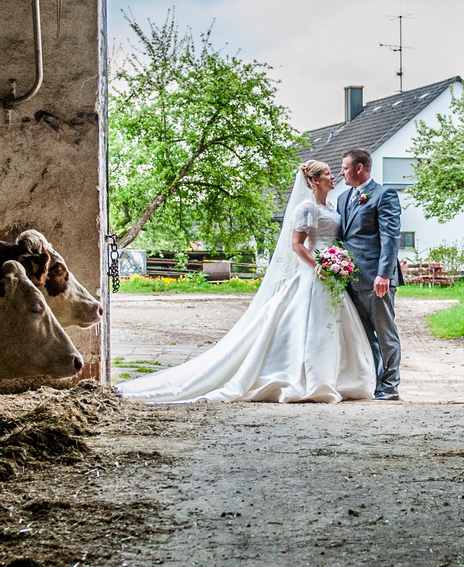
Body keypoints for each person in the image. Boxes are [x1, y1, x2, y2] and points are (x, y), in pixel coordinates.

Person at [116, 159, 376, 403]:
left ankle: (336, 377)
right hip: (314, 273)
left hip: (332, 274)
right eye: (329, 174)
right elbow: (296, 245)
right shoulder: (306, 208)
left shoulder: (332, 206)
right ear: (315, 180)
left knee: (333, 325)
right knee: (306, 326)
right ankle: (304, 377)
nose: (334, 177)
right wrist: (318, 264)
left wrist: (336, 262)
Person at [336, 148, 404, 400]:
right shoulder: (343, 199)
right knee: (364, 335)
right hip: (350, 279)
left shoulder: (384, 194)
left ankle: (390, 386)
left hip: (377, 280)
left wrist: (384, 274)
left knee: (384, 333)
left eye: (344, 167)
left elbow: (390, 236)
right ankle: (373, 382)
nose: (340, 172)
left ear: (359, 168)